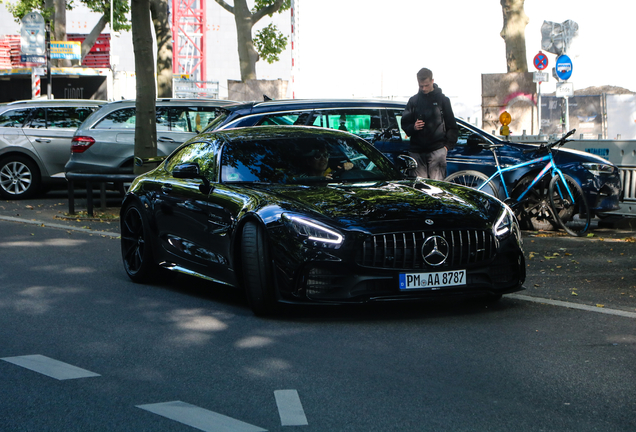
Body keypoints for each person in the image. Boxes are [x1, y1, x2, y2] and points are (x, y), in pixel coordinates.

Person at [401, 68, 458, 180]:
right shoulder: (413, 101)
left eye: (426, 85)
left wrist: (446, 147)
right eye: (421, 86)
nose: (423, 88)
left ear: (432, 81)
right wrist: (413, 127)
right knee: (420, 189)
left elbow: (452, 125)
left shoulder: (443, 100)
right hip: (417, 151)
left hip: (437, 150)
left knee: (436, 190)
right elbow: (404, 124)